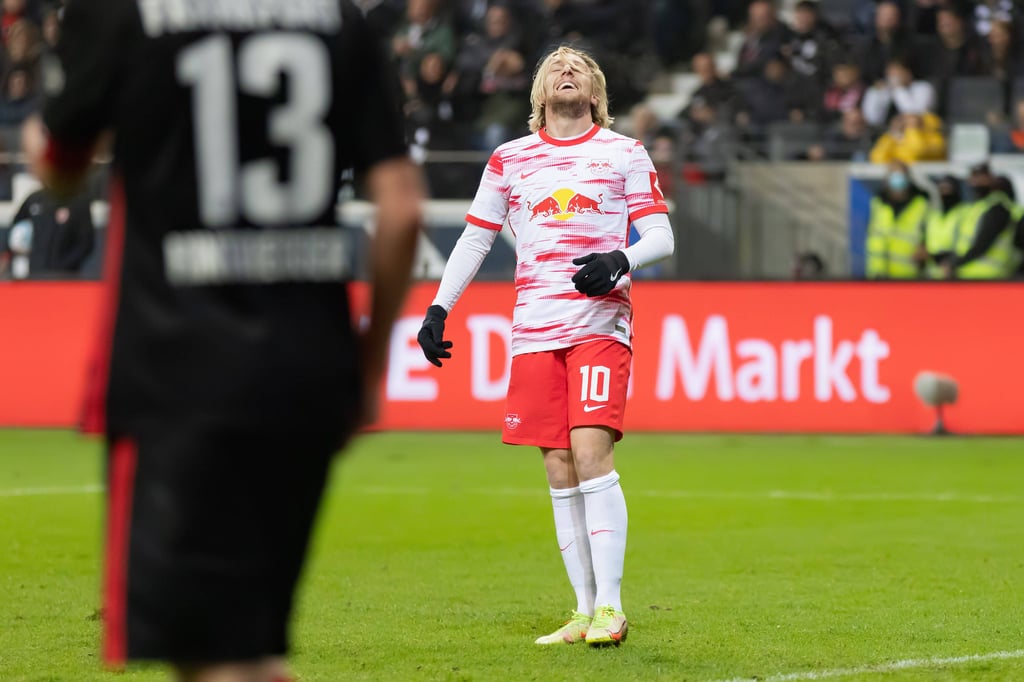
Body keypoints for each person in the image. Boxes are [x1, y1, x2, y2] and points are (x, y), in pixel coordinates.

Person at [23, 2, 424, 681]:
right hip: (307, 367)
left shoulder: (129, 14)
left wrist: (43, 123)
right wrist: (368, 363)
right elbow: (404, 206)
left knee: (208, 658)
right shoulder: (339, 21)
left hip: (176, 370)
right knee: (246, 651)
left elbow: (61, 165)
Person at [416, 45, 674, 647]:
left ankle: (612, 609)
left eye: (580, 67)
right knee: (558, 467)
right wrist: (437, 308)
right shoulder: (510, 160)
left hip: (597, 324)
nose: (567, 70)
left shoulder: (622, 153)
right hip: (534, 329)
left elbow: (661, 235)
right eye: (556, 67)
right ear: (538, 91)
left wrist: (620, 258)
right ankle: (583, 611)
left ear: (596, 91)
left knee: (590, 453)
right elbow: (476, 240)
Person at [948, 166, 1022, 278]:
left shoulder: (998, 207)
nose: (976, 182)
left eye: (981, 178)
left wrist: (953, 264)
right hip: (967, 273)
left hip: (989, 275)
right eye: (974, 178)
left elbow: (982, 243)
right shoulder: (975, 207)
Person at [865, 161, 930, 279]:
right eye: (893, 175)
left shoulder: (921, 204)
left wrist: (926, 247)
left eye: (900, 176)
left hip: (909, 275)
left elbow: (931, 234)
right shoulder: (878, 203)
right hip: (878, 275)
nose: (897, 180)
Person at [924, 174, 969, 278]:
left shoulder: (965, 213)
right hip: (932, 273)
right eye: (942, 189)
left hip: (954, 272)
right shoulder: (933, 215)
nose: (944, 192)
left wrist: (951, 262)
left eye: (948, 189)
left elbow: (964, 244)